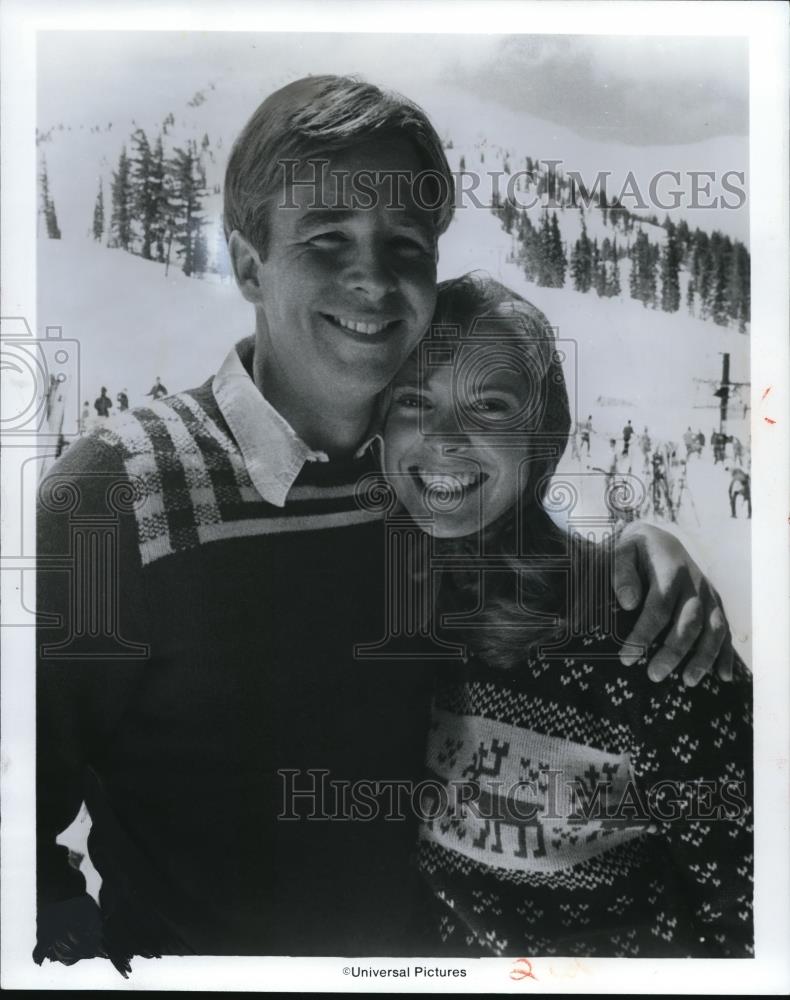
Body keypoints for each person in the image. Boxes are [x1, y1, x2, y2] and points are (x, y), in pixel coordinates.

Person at [35, 75, 736, 973]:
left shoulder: (420, 481)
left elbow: (534, 562)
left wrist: (642, 558)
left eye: (404, 243)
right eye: (327, 239)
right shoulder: (112, 498)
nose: (372, 277)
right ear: (249, 265)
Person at [381, 274, 753, 957]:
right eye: (413, 399)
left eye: (489, 404)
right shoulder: (376, 605)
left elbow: (750, 909)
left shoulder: (647, 635)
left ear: (543, 436)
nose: (443, 438)